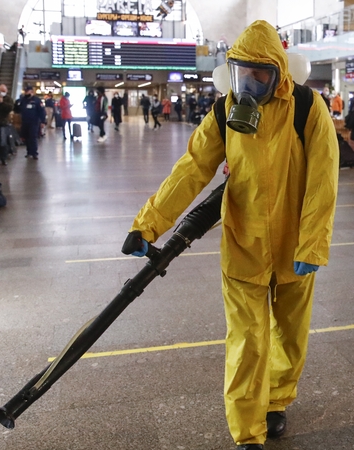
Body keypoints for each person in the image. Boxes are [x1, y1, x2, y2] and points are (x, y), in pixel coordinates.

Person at [124, 21, 338, 450]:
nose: (252, 83)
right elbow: (191, 169)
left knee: (291, 335)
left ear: (278, 72)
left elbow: (323, 178)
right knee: (246, 342)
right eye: (244, 74)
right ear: (232, 71)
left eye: (262, 75)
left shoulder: (307, 107)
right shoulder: (224, 112)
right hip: (244, 245)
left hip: (296, 247)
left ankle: (277, 400)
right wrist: (147, 224)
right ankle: (247, 432)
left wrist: (312, 243)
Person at [14, 85, 46, 159]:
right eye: (25, 91)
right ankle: (29, 152)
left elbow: (42, 111)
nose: (26, 92)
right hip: (25, 121)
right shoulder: (22, 100)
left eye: (27, 91)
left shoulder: (37, 100)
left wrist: (43, 121)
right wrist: (16, 104)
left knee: (33, 137)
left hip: (34, 122)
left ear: (32, 92)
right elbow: (17, 110)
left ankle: (34, 152)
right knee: (26, 137)